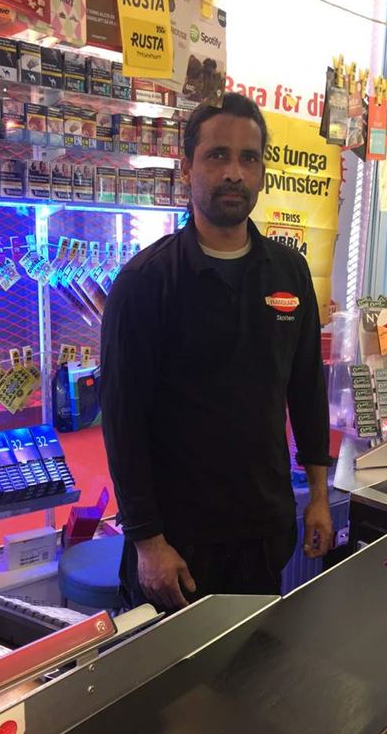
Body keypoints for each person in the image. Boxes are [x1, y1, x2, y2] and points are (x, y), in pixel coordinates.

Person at [100, 93, 332, 611]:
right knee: (171, 666)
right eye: (217, 155)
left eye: (249, 158)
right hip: (177, 544)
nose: (234, 172)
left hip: (262, 532)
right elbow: (122, 422)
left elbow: (306, 390)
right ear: (187, 167)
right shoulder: (145, 282)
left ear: (262, 172)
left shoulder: (289, 272)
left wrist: (319, 496)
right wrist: (148, 543)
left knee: (252, 660)